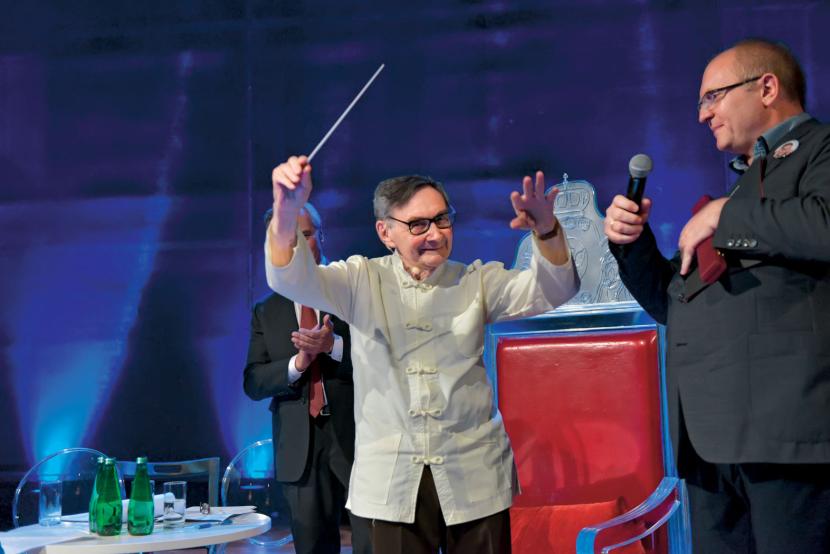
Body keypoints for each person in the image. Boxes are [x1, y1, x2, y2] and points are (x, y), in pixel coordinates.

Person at [264, 157, 578, 553]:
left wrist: (547, 231)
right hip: (392, 482)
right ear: (386, 232)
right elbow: (290, 279)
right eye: (418, 225)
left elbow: (554, 290)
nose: (435, 234)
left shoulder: (476, 280)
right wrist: (286, 211)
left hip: (474, 474)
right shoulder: (361, 279)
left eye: (442, 220)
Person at [604, 38, 830, 553]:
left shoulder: (821, 149)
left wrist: (725, 214)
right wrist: (632, 244)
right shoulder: (747, 186)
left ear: (766, 88)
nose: (703, 115)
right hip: (712, 441)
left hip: (787, 437)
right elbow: (674, 303)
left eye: (713, 96)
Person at [244, 204, 372, 554]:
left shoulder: (352, 292)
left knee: (375, 541)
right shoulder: (266, 311)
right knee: (313, 546)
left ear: (322, 236)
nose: (298, 247)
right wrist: (297, 364)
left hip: (359, 436)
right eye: (289, 239)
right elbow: (253, 381)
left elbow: (384, 359)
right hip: (299, 447)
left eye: (307, 235)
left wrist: (332, 347)